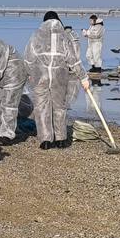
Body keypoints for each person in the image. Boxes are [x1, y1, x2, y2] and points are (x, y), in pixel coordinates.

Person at [24, 12, 87, 149]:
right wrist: (83, 77)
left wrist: (30, 73)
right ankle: (61, 139)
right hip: (60, 76)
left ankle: (46, 140)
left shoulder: (36, 35)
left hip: (40, 76)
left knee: (41, 107)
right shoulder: (64, 36)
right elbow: (73, 59)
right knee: (60, 106)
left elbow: (29, 58)